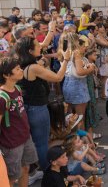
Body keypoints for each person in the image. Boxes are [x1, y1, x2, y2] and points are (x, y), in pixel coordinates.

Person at [15, 37, 70, 171]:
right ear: (29, 50)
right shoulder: (33, 68)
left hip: (27, 107)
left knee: (35, 141)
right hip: (37, 109)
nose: (40, 46)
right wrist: (66, 60)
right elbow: (58, 77)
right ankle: (46, 170)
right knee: (41, 143)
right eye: (37, 45)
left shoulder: (21, 64)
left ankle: (36, 167)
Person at [0, 57, 38, 187]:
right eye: (17, 69)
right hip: (11, 144)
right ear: (6, 74)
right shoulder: (2, 97)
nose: (21, 70)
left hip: (25, 137)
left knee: (26, 168)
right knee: (11, 178)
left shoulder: (17, 88)